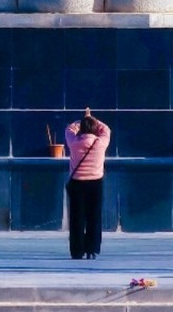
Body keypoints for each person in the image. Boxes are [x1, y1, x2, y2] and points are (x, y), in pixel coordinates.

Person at [64, 107, 110, 259]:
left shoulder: (74, 142)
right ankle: (92, 248)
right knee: (94, 217)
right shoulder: (101, 142)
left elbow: (70, 128)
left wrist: (82, 119)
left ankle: (77, 250)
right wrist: (93, 119)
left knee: (76, 218)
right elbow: (106, 129)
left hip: (77, 183)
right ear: (95, 128)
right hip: (95, 183)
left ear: (81, 128)